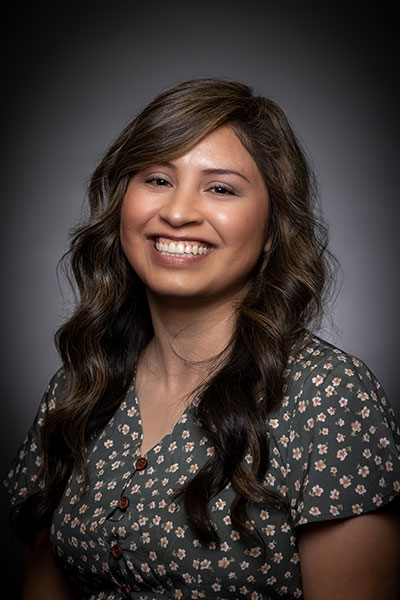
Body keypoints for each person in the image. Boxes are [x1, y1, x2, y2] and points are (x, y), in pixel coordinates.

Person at [4, 78, 400, 600]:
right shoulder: (79, 387)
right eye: (157, 179)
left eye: (220, 188)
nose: (177, 212)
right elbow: (41, 580)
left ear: (272, 228)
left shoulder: (329, 395)